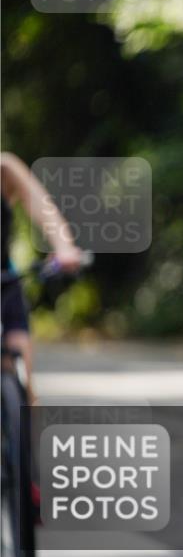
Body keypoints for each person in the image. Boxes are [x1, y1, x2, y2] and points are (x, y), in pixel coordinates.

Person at [1, 152, 84, 393]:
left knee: (22, 372)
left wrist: (64, 246)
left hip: (4, 284)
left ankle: (24, 425)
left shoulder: (4, 169)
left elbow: (39, 203)